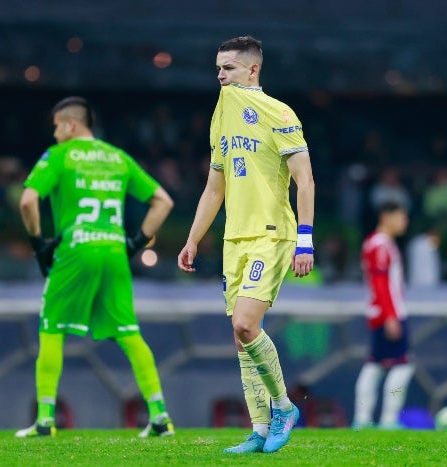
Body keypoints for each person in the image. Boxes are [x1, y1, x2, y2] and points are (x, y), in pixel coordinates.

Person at [178, 36, 315, 454]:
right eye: (218, 68)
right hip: (234, 239)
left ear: (252, 70)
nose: (220, 75)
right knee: (241, 340)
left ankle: (284, 407)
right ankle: (258, 429)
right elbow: (214, 187)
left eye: (229, 68)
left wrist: (305, 241)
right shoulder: (222, 114)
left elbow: (305, 180)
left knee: (245, 325)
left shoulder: (279, 112)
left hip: (271, 234)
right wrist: (193, 238)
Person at [16, 96, 175, 438]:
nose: (55, 134)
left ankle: (45, 421)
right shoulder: (117, 157)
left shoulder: (59, 155)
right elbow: (163, 201)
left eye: (57, 127)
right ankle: (160, 416)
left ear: (71, 124)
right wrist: (136, 242)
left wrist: (38, 244)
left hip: (76, 248)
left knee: (51, 328)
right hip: (114, 250)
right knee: (129, 333)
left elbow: (27, 201)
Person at [353, 201, 415, 429]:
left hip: (383, 311)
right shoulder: (380, 244)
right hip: (388, 313)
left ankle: (363, 418)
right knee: (402, 365)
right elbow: (380, 283)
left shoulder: (378, 243)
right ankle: (388, 419)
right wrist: (390, 316)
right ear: (386, 216)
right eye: (401, 216)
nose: (404, 222)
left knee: (376, 364)